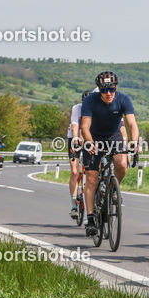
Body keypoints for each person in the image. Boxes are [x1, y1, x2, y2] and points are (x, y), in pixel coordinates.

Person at [79, 71, 141, 236]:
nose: (108, 93)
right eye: (104, 90)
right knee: (91, 179)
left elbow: (132, 124)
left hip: (114, 135)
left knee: (121, 163)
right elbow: (84, 126)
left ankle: (112, 188)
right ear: (99, 89)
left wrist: (134, 142)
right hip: (94, 136)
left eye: (111, 89)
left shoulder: (123, 99)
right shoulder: (90, 100)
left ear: (116, 87)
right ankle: (91, 219)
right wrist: (89, 141)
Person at [68, 90, 93, 219]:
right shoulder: (77, 108)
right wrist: (75, 139)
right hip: (75, 137)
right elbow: (75, 126)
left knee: (93, 171)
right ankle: (73, 204)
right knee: (74, 171)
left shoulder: (97, 108)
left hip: (90, 139)